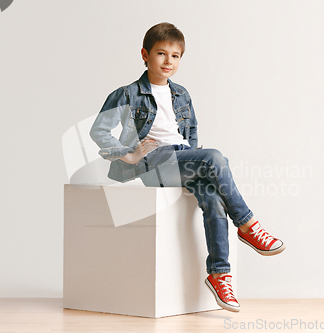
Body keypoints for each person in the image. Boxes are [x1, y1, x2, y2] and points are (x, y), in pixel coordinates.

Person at [90, 22, 285, 313]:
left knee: (214, 199)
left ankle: (220, 274)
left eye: (175, 55)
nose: (168, 61)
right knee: (215, 157)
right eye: (161, 54)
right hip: (153, 164)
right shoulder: (127, 93)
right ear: (145, 54)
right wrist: (129, 155)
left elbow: (191, 137)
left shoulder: (182, 94)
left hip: (182, 159)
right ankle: (247, 225)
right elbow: (99, 131)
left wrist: (194, 158)